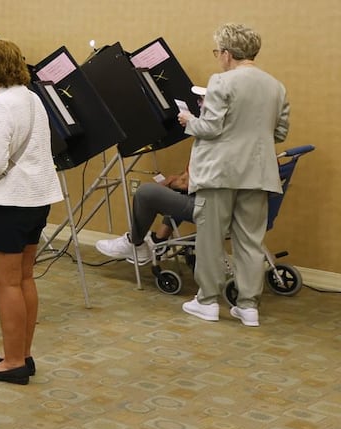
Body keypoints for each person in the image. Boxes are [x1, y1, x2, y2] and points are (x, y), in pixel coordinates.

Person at [178, 23, 289, 327]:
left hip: (220, 173)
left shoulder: (221, 81)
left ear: (227, 53)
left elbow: (211, 128)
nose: (217, 58)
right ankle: (249, 307)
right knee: (251, 242)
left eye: (217, 52)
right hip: (259, 173)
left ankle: (207, 301)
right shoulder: (275, 86)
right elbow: (279, 132)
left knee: (211, 239)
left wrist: (189, 120)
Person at [0, 39, 61, 384]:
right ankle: (21, 352)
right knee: (24, 278)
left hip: (9, 201)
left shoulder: (1, 102)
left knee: (6, 284)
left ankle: (13, 363)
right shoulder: (31, 97)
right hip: (37, 196)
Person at [95, 166, 194, 264]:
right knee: (180, 195)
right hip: (205, 204)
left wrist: (173, 182)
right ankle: (158, 240)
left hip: (203, 207)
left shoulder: (205, 150)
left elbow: (187, 183)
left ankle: (135, 243)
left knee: (146, 193)